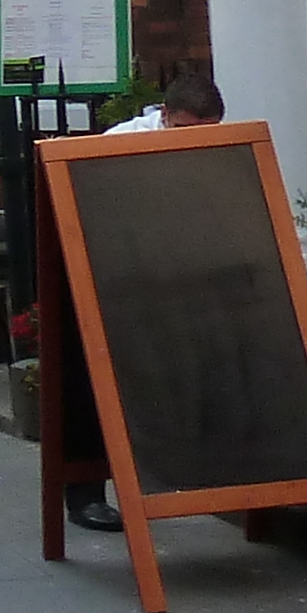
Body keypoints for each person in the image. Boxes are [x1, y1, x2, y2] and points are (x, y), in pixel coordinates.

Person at [69, 64, 232, 533]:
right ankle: (85, 492)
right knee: (98, 382)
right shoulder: (118, 144)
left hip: (184, 273)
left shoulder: (223, 144)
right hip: (122, 277)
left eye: (203, 134)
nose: (190, 143)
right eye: (182, 130)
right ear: (164, 116)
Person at [104, 66, 226, 135]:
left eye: (207, 132)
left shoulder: (233, 144)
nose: (195, 138)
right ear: (164, 114)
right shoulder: (120, 138)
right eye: (183, 130)